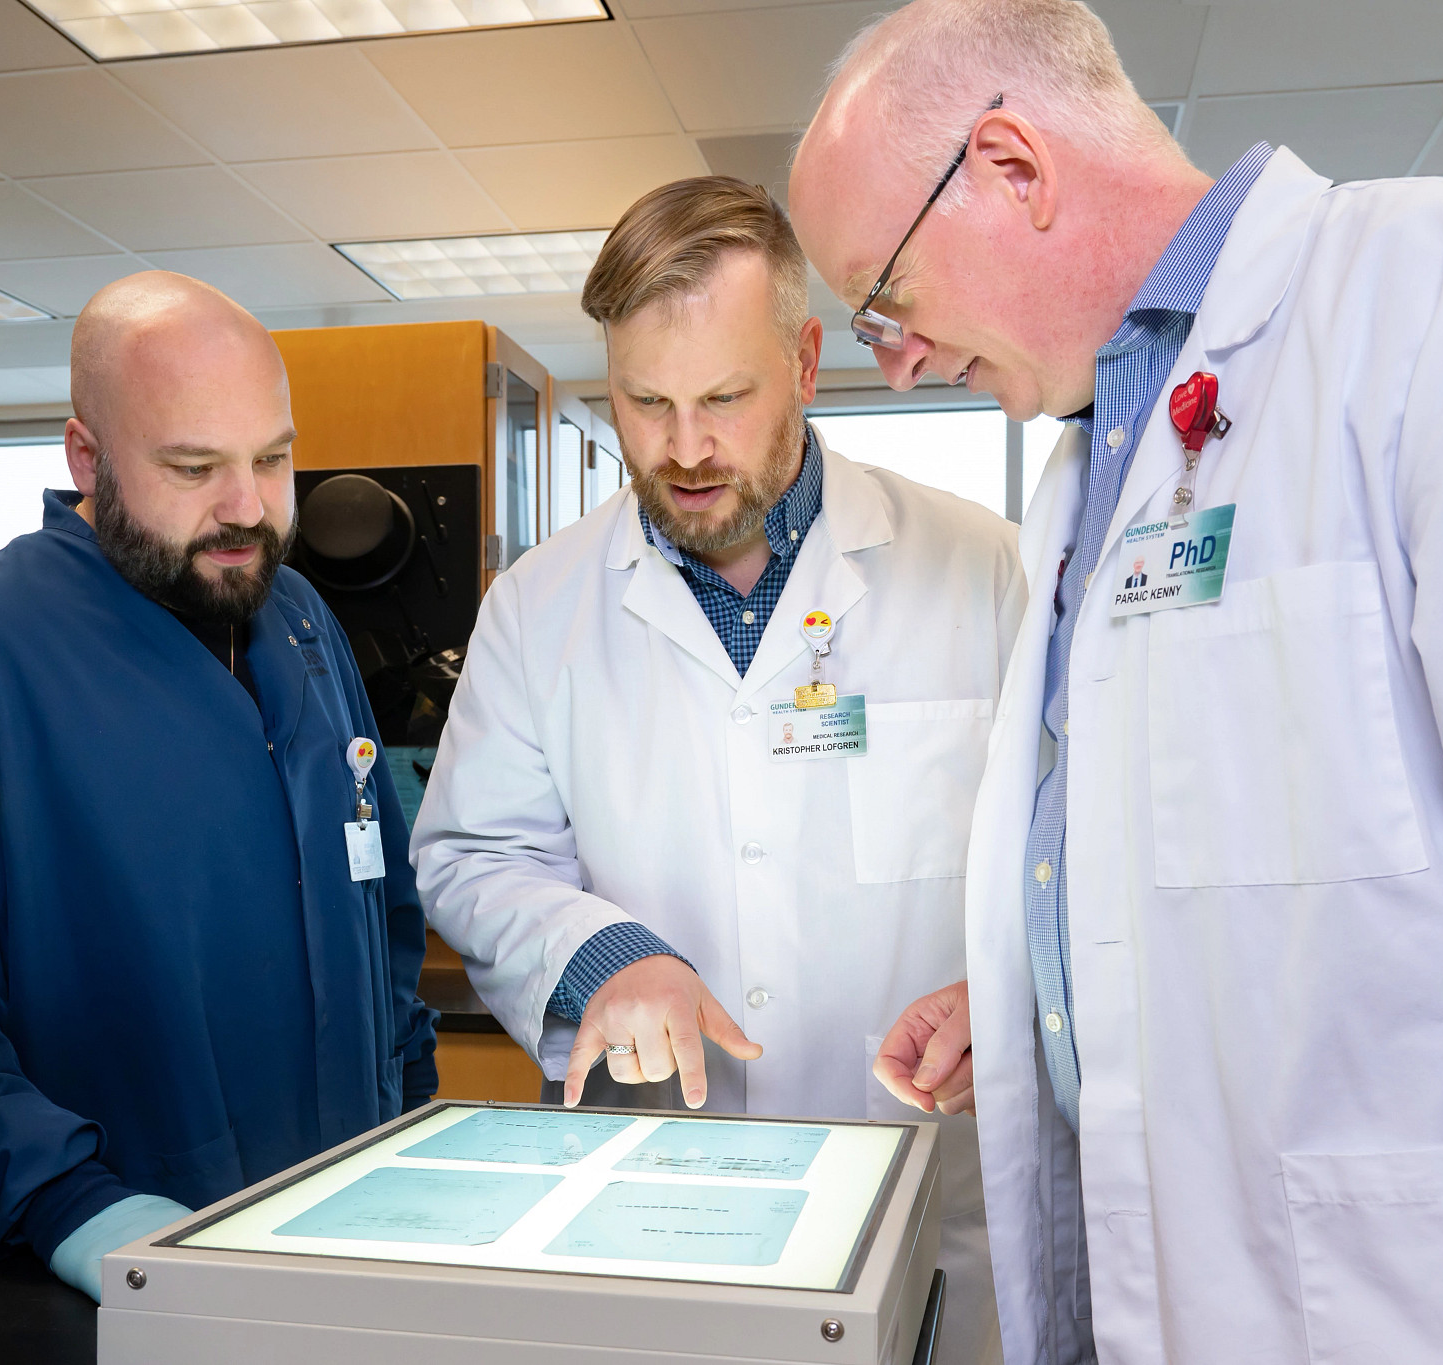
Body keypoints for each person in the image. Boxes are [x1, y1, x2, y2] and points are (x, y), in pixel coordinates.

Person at [789, 2, 1443, 1362]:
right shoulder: (1085, 471)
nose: (899, 355)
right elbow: (1245, 862)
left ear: (1012, 167)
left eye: (887, 294)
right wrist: (1044, 995)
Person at [413, 176, 1025, 1363]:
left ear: (802, 360)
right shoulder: (540, 606)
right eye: (643, 403)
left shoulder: (977, 568)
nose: (683, 449)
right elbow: (472, 855)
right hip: (657, 1203)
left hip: (929, 1194)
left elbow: (1066, 849)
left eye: (723, 398)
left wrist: (1001, 998)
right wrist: (600, 955)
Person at [0, 272, 436, 1301]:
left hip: (344, 1244)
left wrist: (407, 1121)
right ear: (85, 457)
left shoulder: (302, 623)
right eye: (192, 467)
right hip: (103, 1278)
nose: (245, 509)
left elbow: (379, 915)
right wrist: (71, 1206)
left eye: (272, 460)